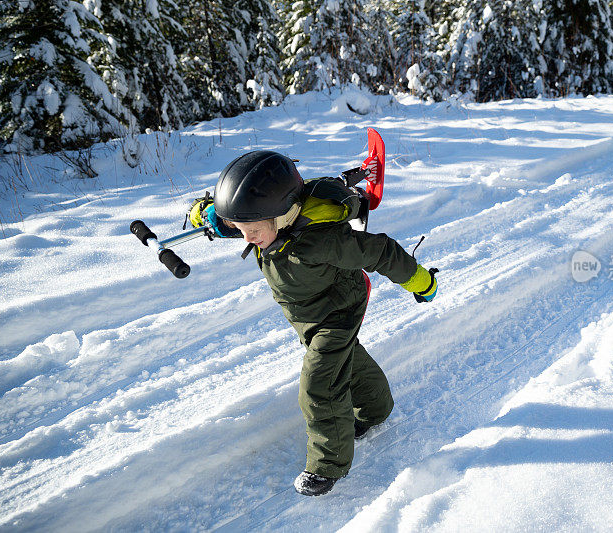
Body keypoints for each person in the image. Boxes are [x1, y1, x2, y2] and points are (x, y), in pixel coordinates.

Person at [187, 150, 438, 496]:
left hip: (338, 308)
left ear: (281, 214)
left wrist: (421, 282)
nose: (246, 238)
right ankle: (376, 408)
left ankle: (328, 465)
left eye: (252, 230)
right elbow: (227, 220)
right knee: (344, 360)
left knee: (319, 382)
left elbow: (381, 252)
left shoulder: (321, 241)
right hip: (305, 313)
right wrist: (206, 214)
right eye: (240, 228)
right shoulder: (264, 224)